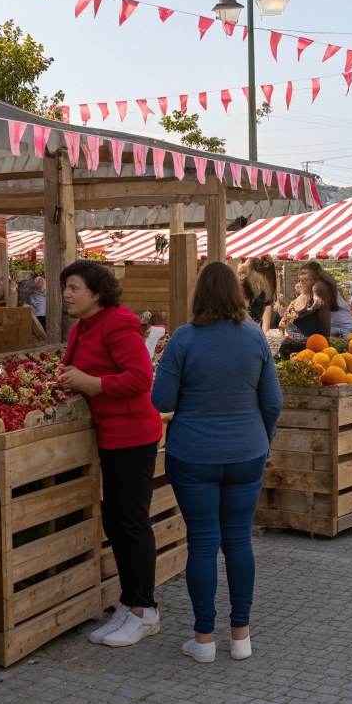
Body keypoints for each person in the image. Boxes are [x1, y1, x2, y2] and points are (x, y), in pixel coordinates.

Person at [152, 262, 283, 663]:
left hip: (193, 455)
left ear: (199, 295)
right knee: (239, 541)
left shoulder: (184, 340)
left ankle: (204, 639)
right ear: (237, 294)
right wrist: (263, 441)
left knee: (204, 545)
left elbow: (162, 402)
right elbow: (273, 402)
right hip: (247, 454)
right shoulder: (255, 339)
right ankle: (241, 637)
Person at [58, 260, 163, 649]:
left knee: (132, 521)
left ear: (96, 293)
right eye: (65, 287)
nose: (67, 294)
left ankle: (145, 611)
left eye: (74, 288)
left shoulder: (118, 322)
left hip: (133, 434)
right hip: (109, 435)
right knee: (115, 521)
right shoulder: (82, 327)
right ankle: (129, 600)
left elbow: (141, 377)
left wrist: (92, 383)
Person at [239, 256, 277, 331]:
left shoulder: (243, 283)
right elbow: (266, 319)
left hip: (243, 327)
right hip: (257, 328)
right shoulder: (267, 287)